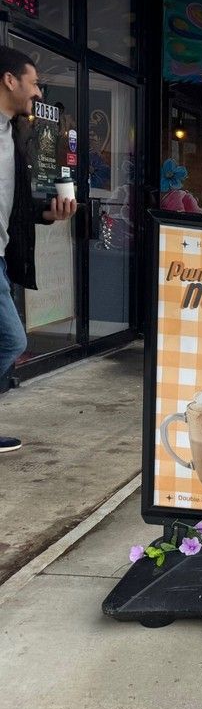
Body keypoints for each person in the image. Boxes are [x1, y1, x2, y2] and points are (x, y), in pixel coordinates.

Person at [0, 46, 78, 453]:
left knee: (10, 340)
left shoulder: (16, 136)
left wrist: (52, 214)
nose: (39, 94)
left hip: (0, 257)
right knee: (12, 340)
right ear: (9, 80)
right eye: (33, 84)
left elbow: (17, 207)